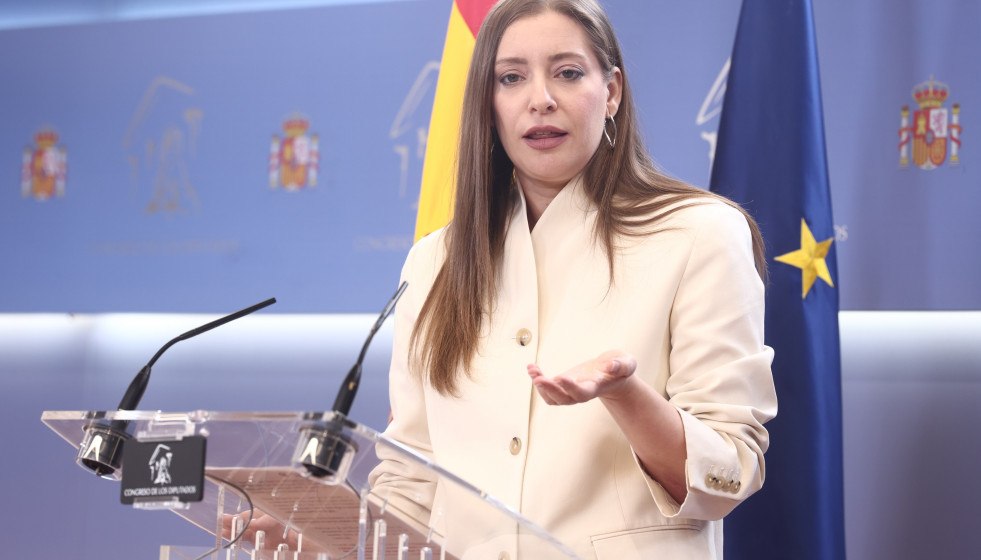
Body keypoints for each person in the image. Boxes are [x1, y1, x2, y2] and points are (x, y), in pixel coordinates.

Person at [369, 0, 778, 558]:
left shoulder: (702, 234)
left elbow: (730, 472)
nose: (540, 99)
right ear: (489, 105)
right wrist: (315, 536)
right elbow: (411, 483)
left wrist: (625, 394)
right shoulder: (433, 261)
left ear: (610, 92)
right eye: (511, 78)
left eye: (567, 73)